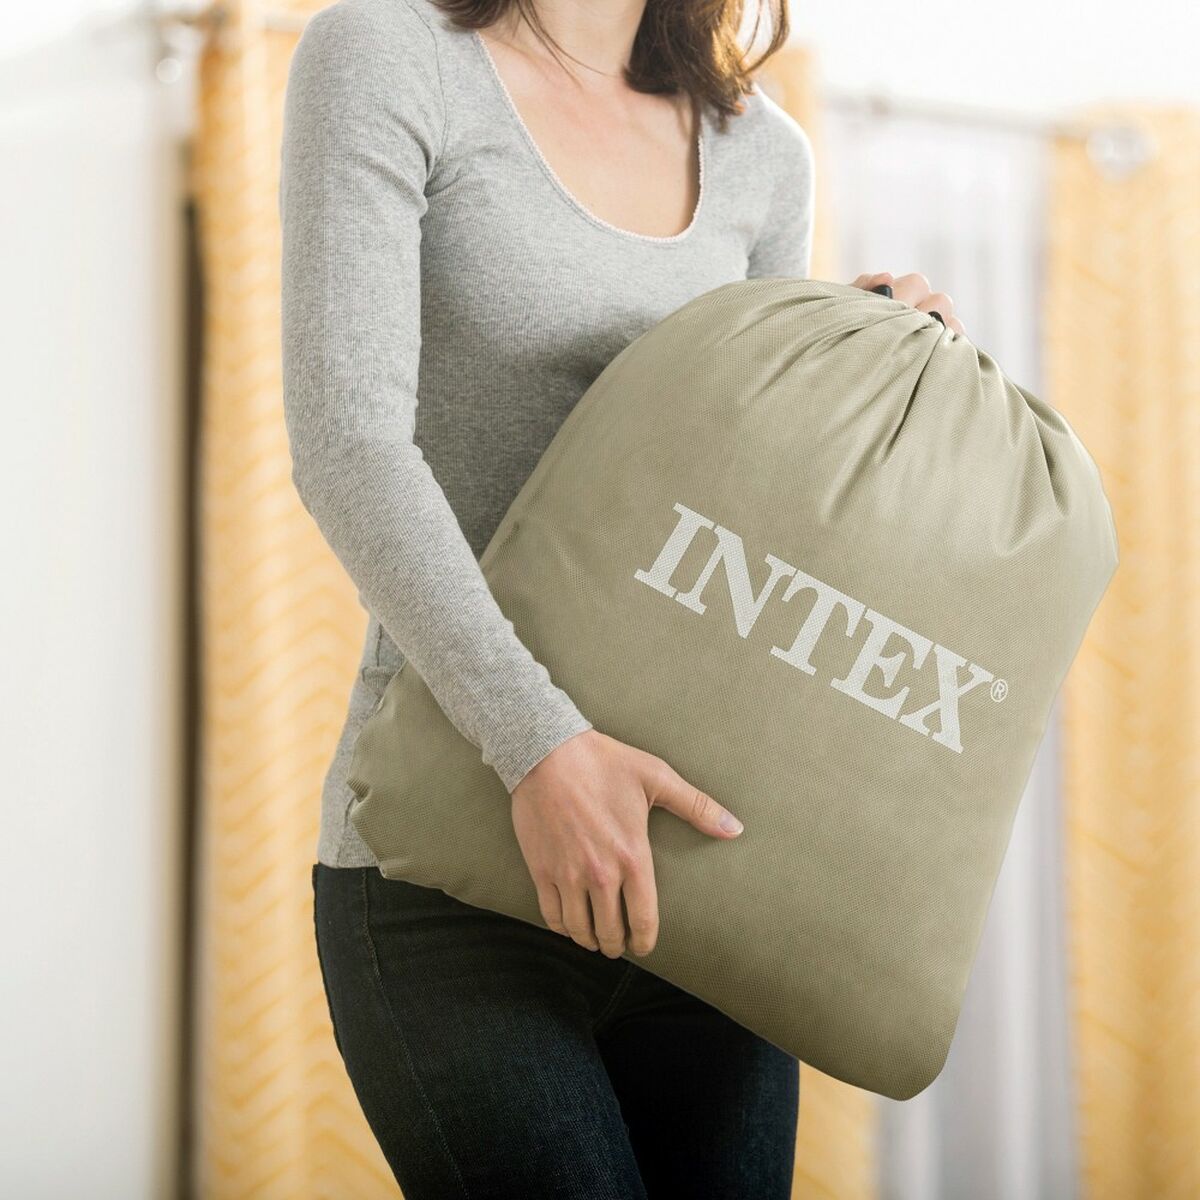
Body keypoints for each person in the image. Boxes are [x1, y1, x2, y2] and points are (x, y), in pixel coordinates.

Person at [280, 0, 964, 1194]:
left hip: (700, 882)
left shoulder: (761, 149)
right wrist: (540, 746)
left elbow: (752, 508)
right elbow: (350, 447)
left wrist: (863, 357)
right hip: (451, 869)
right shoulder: (391, 57)